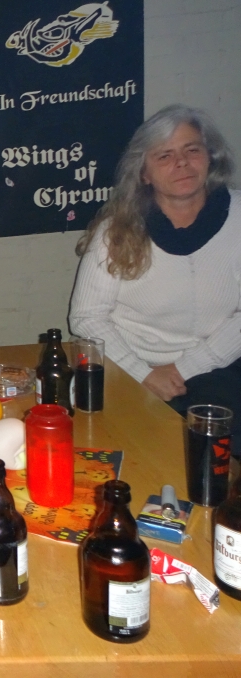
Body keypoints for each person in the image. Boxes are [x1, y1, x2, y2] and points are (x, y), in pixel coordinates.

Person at [70, 104, 241, 452]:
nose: (182, 163)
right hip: (129, 368)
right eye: (165, 155)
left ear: (210, 157)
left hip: (217, 367)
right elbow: (86, 317)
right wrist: (144, 374)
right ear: (144, 174)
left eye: (192, 150)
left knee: (219, 452)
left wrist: (183, 369)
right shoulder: (115, 231)